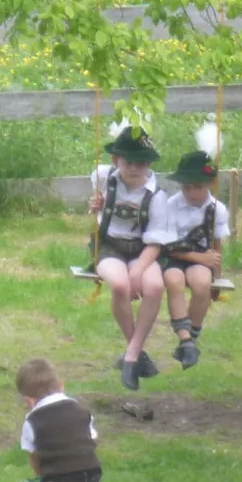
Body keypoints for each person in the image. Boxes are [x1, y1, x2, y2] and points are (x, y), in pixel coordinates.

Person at [87, 126, 166, 391]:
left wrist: (138, 271)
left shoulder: (156, 195)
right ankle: (137, 355)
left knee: (155, 287)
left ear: (150, 163)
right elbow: (95, 202)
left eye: (142, 162)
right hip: (108, 246)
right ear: (115, 161)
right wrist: (96, 203)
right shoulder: (102, 176)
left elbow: (155, 243)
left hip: (142, 250)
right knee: (119, 285)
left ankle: (131, 355)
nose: (134, 168)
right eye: (128, 162)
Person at [142, 150, 231, 370]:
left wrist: (217, 273)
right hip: (173, 256)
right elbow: (167, 245)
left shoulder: (217, 209)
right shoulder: (171, 205)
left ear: (210, 183)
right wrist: (200, 257)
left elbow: (218, 243)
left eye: (197, 187)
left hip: (201, 257)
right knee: (174, 280)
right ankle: (184, 338)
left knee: (202, 284)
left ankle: (191, 338)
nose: (191, 192)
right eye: (186, 187)